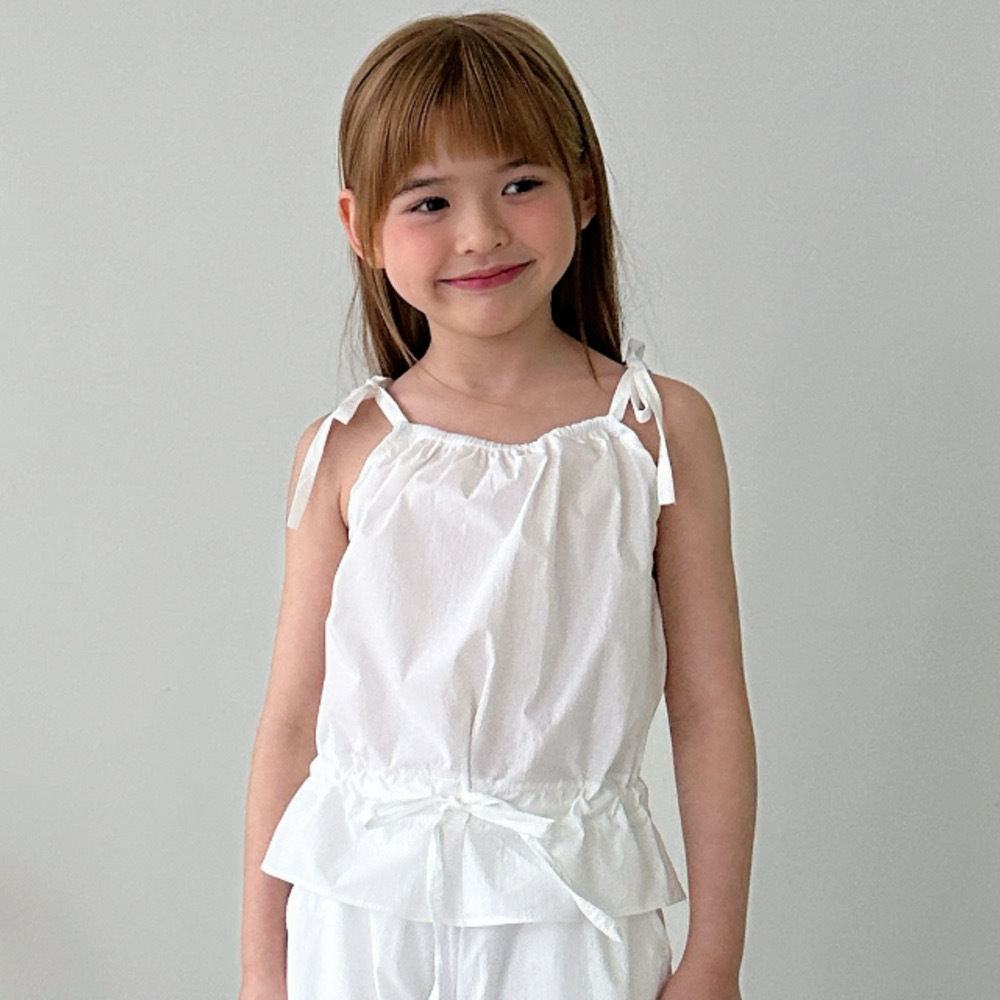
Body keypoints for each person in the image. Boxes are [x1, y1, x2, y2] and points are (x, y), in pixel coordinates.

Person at [238, 12, 755, 1000]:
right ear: (360, 226)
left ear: (584, 189)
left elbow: (706, 704)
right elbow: (292, 719)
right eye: (429, 201)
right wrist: (263, 973)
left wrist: (714, 960)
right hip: (361, 919)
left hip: (570, 914)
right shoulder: (347, 448)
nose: (480, 232)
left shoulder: (653, 431)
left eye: (521, 184)